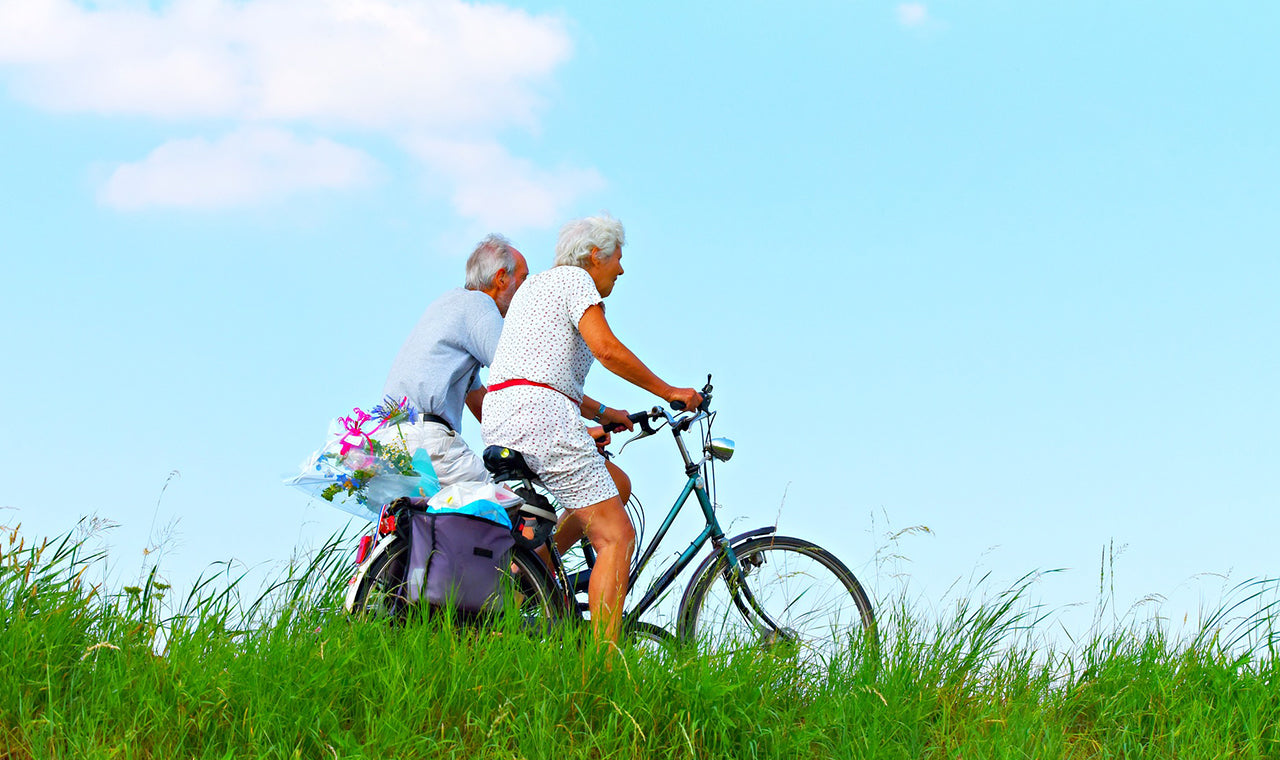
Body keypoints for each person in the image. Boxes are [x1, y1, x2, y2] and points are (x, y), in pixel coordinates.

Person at [481, 214, 702, 642]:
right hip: (540, 417)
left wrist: (603, 413)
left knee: (615, 483)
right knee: (617, 535)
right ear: (595, 255)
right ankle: (601, 670)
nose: (621, 269)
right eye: (618, 258)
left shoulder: (537, 288)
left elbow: (538, 370)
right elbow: (606, 348)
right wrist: (668, 390)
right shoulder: (576, 281)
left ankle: (535, 574)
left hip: (506, 414)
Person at [378, 234, 529, 485]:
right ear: (501, 277)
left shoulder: (448, 305)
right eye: (524, 279)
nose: (527, 290)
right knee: (507, 510)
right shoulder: (479, 305)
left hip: (391, 442)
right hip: (426, 441)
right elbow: (523, 374)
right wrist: (576, 429)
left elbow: (481, 403)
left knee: (431, 522)